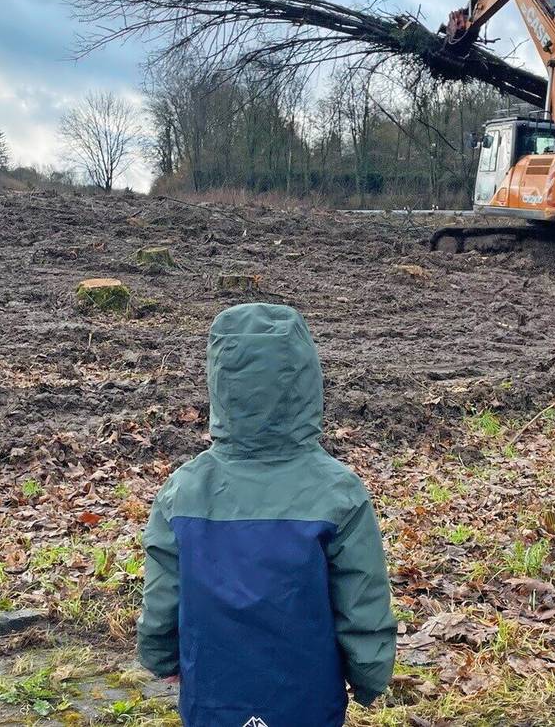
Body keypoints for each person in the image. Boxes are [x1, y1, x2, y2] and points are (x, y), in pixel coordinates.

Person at [137, 302, 396, 727]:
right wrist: (369, 674)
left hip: (212, 697)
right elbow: (362, 597)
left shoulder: (184, 489)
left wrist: (159, 655)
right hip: (307, 698)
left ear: (219, 382)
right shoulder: (338, 491)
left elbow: (163, 593)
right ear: (306, 380)